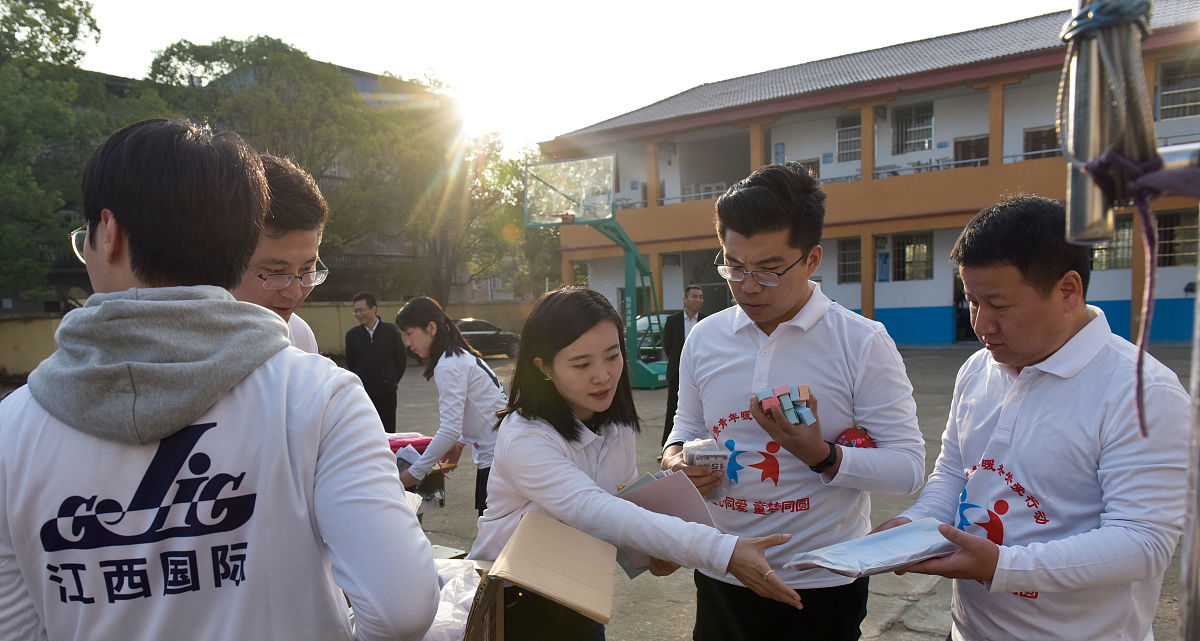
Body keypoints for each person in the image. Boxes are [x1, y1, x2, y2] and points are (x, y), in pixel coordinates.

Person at [0, 119, 437, 641]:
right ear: (240, 243)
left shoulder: (12, 429)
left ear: (108, 232)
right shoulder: (318, 396)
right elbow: (401, 609)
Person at [873, 195, 1190, 641]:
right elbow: (955, 474)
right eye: (970, 301)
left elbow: (1143, 544)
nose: (981, 325)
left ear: (1068, 290)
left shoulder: (1140, 392)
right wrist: (915, 526)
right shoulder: (977, 370)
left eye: (999, 306)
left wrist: (1004, 566)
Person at [660, 161, 925, 641]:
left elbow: (908, 468)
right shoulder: (705, 338)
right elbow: (684, 425)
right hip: (724, 570)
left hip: (821, 581)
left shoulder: (861, 342)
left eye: (769, 269)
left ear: (812, 258)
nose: (748, 285)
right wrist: (677, 460)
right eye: (734, 266)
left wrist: (821, 455)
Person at [468, 286, 804, 641]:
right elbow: (596, 510)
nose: (603, 375)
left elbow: (625, 506)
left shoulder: (617, 425)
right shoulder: (526, 435)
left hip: (580, 593)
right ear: (544, 367)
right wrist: (722, 550)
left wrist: (652, 552)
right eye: (581, 364)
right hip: (513, 602)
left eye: (612, 356)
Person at [394, 296, 504, 516]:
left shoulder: (448, 364)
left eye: (409, 334)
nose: (408, 344)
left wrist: (413, 473)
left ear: (431, 328)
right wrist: (461, 442)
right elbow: (480, 405)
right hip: (503, 452)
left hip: (498, 461)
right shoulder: (458, 355)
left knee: (495, 539)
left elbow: (449, 429)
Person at [229, 153, 328, 353]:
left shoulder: (300, 338)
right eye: (276, 272)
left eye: (307, 268)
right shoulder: (179, 344)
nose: (294, 293)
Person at [345, 292, 408, 432]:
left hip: (387, 393)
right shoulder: (352, 335)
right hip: (364, 394)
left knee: (388, 430)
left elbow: (400, 360)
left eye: (361, 310)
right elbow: (351, 364)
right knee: (367, 431)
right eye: (355, 311)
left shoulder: (391, 331)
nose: (358, 314)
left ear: (373, 309)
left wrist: (391, 380)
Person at [661, 284, 706, 445]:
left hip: (701, 372)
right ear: (685, 299)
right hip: (677, 373)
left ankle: (699, 445)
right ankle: (668, 445)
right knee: (673, 408)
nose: (698, 300)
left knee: (699, 410)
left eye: (700, 297)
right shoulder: (673, 321)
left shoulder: (706, 321)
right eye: (694, 296)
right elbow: (668, 346)